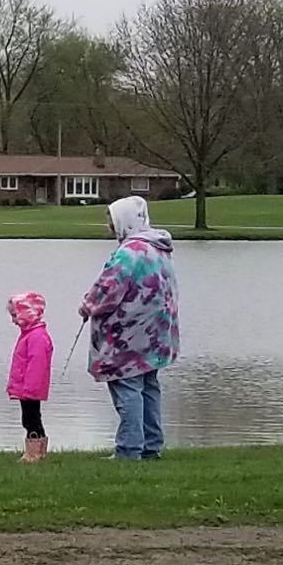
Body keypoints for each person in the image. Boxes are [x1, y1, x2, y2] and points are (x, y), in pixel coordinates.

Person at [80, 195, 179, 460]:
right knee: (148, 387)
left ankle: (129, 449)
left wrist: (87, 306)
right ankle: (151, 446)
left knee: (127, 388)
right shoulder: (158, 247)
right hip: (156, 334)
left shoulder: (130, 252)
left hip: (129, 336)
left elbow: (108, 289)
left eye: (111, 221)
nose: (109, 226)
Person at [5, 290, 53, 462]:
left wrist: (29, 389)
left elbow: (37, 365)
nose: (13, 321)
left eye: (15, 316)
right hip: (26, 388)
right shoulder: (30, 335)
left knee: (30, 420)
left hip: (30, 389)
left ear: (26, 314)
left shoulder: (36, 337)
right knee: (32, 418)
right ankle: (39, 451)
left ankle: (33, 453)